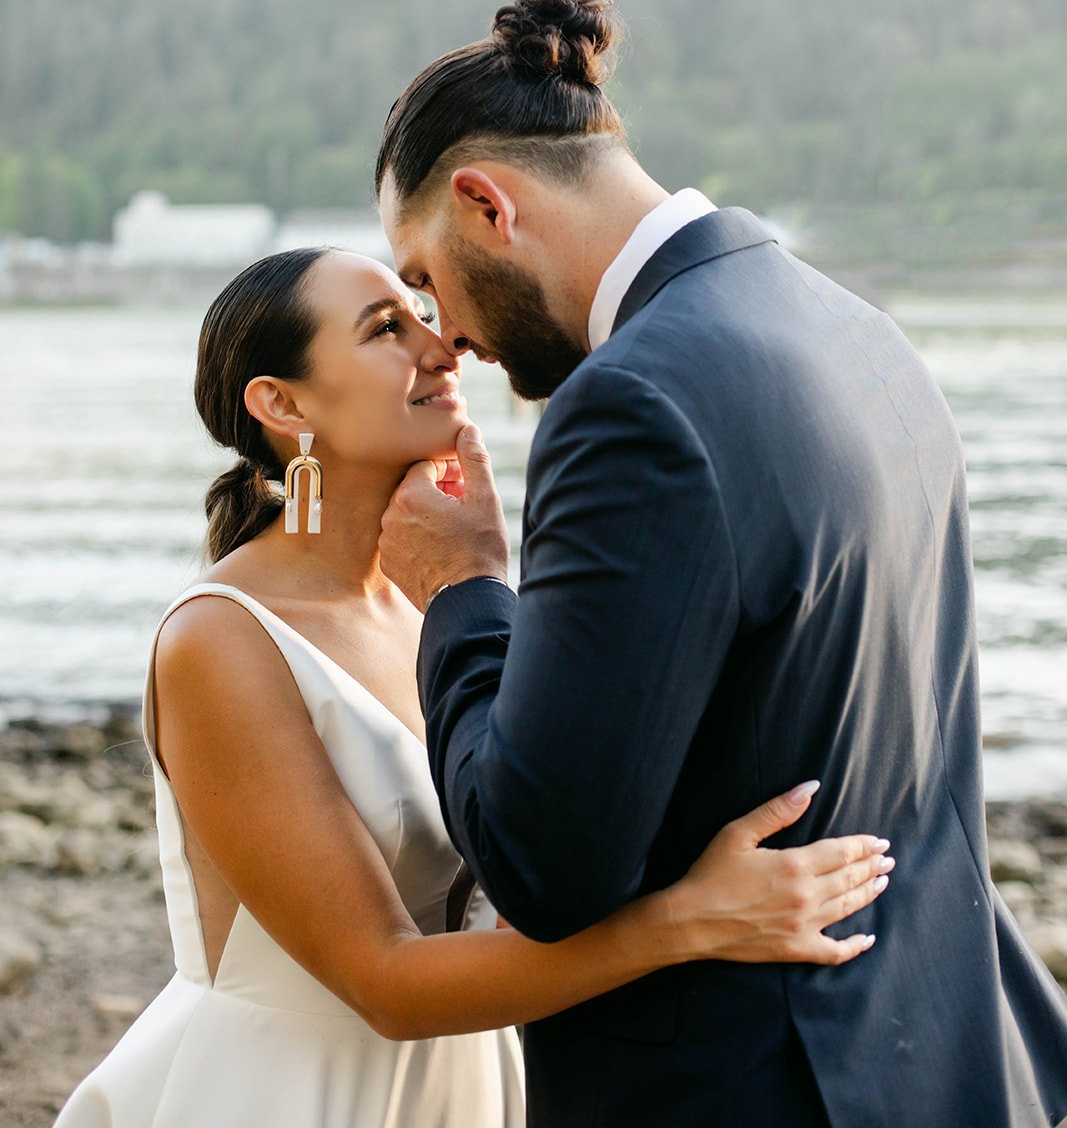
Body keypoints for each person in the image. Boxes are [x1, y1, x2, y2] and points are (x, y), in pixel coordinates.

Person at [374, 0, 1067, 1128]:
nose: (449, 335)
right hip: (942, 1048)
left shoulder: (629, 404)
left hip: (747, 1084)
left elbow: (545, 867)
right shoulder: (855, 328)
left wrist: (460, 590)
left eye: (426, 279)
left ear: (487, 205)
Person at [54, 247, 891, 1128]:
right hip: (290, 1094)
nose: (440, 345)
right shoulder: (222, 638)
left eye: (422, 313)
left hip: (470, 1073)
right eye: (385, 327)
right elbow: (382, 979)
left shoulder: (447, 600)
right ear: (283, 404)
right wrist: (695, 919)